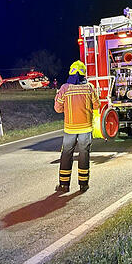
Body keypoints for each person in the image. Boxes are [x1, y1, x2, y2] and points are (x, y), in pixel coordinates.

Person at [53, 60, 99, 193]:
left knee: (66, 154)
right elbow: (96, 105)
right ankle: (83, 184)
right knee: (84, 154)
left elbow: (57, 108)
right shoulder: (89, 87)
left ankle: (64, 185)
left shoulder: (64, 88)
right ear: (84, 74)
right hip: (86, 128)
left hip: (70, 129)